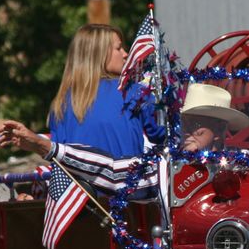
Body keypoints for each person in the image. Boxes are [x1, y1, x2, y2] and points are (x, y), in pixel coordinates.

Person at [0, 83, 249, 199]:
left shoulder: (248, 166)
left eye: (198, 124)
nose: (188, 131)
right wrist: (46, 146)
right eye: (185, 122)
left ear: (219, 130)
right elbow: (112, 170)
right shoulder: (165, 165)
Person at [48, 24, 165, 157]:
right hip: (127, 176)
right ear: (99, 54)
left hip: (79, 178)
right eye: (118, 48)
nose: (125, 54)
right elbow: (164, 134)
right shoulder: (133, 92)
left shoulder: (60, 105)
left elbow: (57, 158)